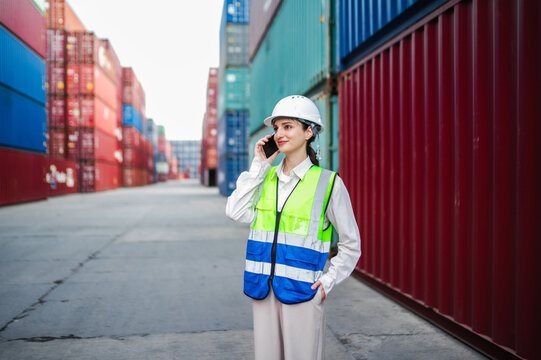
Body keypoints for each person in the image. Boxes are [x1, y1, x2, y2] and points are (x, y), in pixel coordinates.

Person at [226, 95, 361, 360]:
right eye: (276, 128)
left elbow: (350, 244)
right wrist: (259, 165)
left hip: (303, 292)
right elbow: (234, 211)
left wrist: (327, 282)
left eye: (288, 126)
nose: (279, 134)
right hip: (263, 291)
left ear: (309, 131)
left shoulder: (328, 183)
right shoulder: (264, 178)